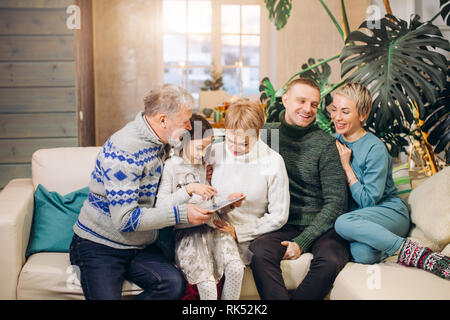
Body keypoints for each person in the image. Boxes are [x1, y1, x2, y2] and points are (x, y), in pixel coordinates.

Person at [69, 84, 214, 300]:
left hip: (140, 244)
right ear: (163, 120)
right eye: (184, 122)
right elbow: (126, 220)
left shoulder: (162, 141)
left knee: (173, 285)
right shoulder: (124, 152)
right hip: (99, 245)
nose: (188, 127)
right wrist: (183, 213)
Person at [332, 82, 450, 280]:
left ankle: (417, 254)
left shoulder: (374, 148)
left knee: (342, 222)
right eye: (334, 110)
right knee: (363, 254)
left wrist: (346, 167)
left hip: (389, 212)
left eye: (345, 111)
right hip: (361, 219)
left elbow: (368, 201)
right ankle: (392, 246)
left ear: (362, 115)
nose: (337, 117)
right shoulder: (333, 141)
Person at [249, 78, 350, 300]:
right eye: (301, 101)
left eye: (314, 104)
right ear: (285, 99)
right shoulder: (267, 135)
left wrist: (302, 242)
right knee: (259, 251)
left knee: (332, 259)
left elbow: (336, 202)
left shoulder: (324, 144)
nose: (307, 109)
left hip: (322, 226)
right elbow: (230, 149)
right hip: (282, 222)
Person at [155, 114, 245, 300]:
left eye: (207, 147)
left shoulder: (205, 166)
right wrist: (188, 190)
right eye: (199, 147)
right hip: (188, 234)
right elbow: (160, 206)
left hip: (214, 227)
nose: (204, 153)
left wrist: (229, 203)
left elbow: (213, 204)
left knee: (236, 268)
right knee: (207, 285)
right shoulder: (171, 167)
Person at [210, 98, 290, 266]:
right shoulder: (214, 152)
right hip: (211, 230)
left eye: (244, 144)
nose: (234, 149)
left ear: (259, 133)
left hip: (248, 237)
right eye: (230, 140)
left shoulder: (273, 161)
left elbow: (279, 216)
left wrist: (239, 232)